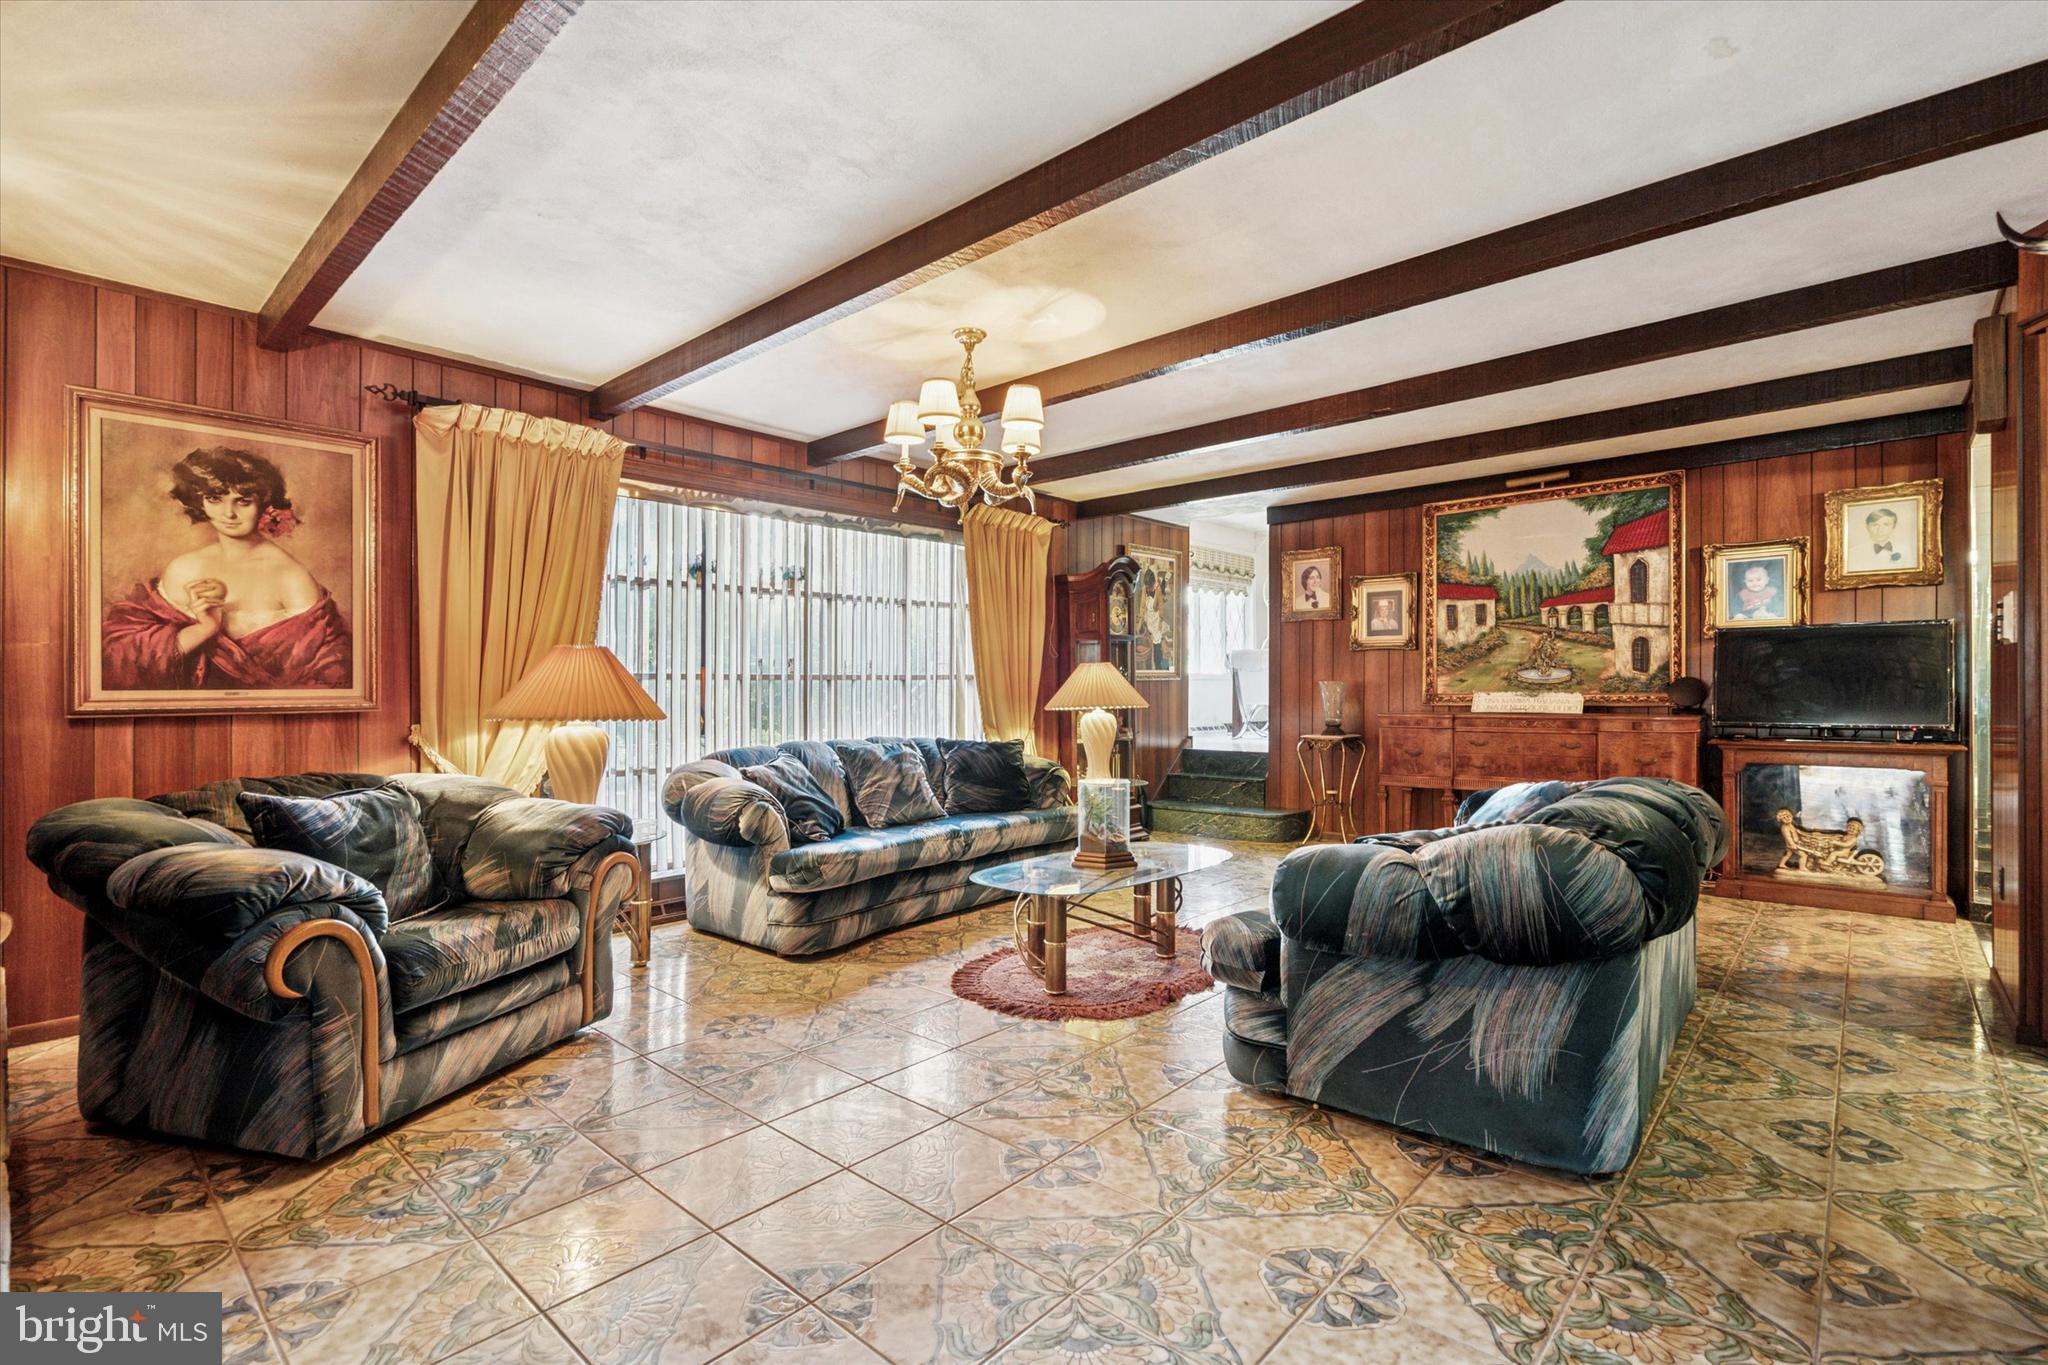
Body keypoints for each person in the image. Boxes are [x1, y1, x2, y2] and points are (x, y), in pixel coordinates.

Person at [103, 447, 351, 690]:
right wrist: (205, 629)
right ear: (200, 502)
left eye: (243, 502)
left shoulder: (292, 577)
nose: (228, 514)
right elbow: (126, 653)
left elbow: (327, 672)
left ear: (265, 504)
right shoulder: (184, 568)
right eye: (215, 499)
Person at [1848, 506, 1907, 571]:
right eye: (1875, 525)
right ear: (1867, 527)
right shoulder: (1853, 553)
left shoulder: (1905, 550)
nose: (1880, 530)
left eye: (1886, 525)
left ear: (1894, 526)